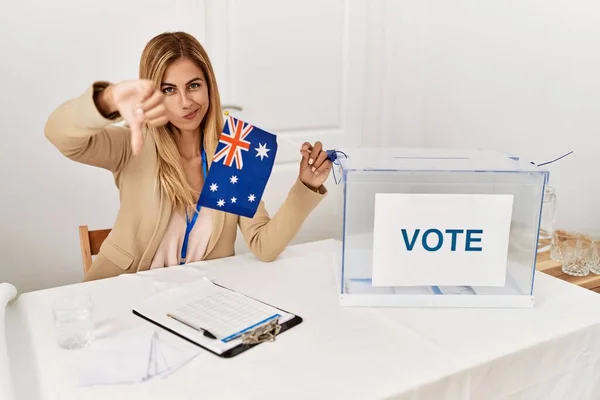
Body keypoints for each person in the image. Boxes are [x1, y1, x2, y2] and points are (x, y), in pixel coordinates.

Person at [45, 31, 332, 281]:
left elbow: (264, 246)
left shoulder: (234, 150)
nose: (186, 102)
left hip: (200, 306)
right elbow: (60, 134)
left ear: (209, 86)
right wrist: (108, 100)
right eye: (169, 90)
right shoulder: (133, 144)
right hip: (125, 297)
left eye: (194, 85)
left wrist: (305, 187)